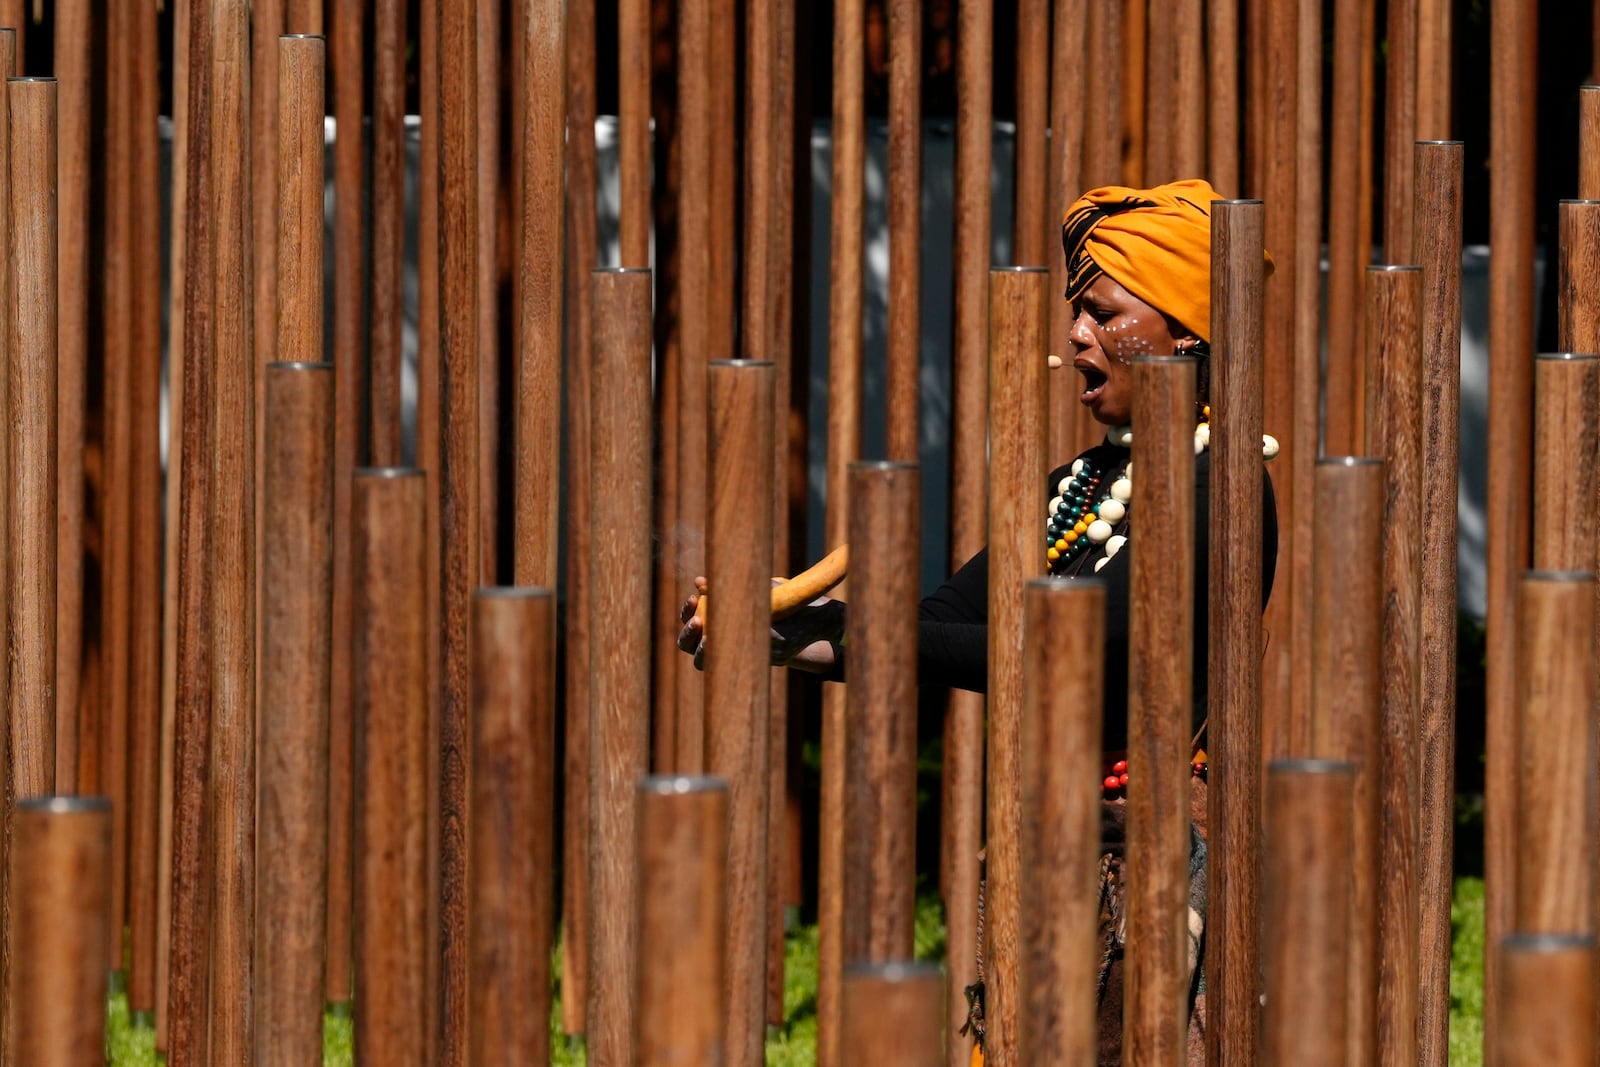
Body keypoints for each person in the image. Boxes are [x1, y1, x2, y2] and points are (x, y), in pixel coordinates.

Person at [676, 179, 1279, 1065]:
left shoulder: (1220, 482)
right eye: (1077, 313)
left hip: (1154, 861)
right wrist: (794, 633)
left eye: (1105, 313)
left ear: (1183, 329)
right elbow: (945, 621)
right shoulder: (1080, 485)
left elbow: (1084, 648)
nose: (1077, 334)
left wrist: (856, 627)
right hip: (1059, 849)